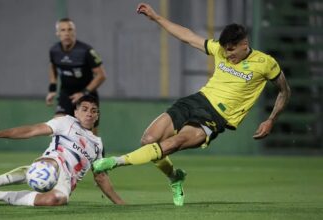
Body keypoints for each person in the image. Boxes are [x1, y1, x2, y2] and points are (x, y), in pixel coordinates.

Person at [93, 3, 291, 207]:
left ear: (244, 43)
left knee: (174, 143)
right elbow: (187, 36)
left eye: (232, 50)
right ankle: (175, 178)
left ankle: (115, 162)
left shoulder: (265, 63)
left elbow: (284, 91)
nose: (228, 54)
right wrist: (157, 18)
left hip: (216, 117)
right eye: (225, 50)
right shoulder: (220, 50)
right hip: (197, 99)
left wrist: (271, 120)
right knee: (149, 140)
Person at [0, 95, 124, 206]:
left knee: (56, 200)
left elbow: (101, 177)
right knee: (47, 169)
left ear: (97, 116)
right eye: (84, 109)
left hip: (67, 180)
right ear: (76, 113)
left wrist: (120, 203)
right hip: (54, 162)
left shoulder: (98, 145)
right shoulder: (65, 122)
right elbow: (32, 130)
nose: (89, 113)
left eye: (93, 110)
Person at [46, 18, 106, 134]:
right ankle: (58, 152)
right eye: (63, 30)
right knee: (57, 125)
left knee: (90, 134)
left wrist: (83, 93)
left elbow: (101, 75)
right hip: (66, 93)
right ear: (57, 33)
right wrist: (52, 89)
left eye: (70, 30)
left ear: (75, 32)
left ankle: (96, 152)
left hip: (87, 94)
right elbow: (53, 67)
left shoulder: (86, 51)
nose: (67, 33)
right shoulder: (54, 51)